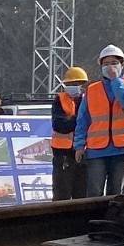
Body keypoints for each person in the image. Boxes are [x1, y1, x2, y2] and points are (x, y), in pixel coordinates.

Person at [75, 45, 124, 197]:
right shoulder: (92, 89)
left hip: (121, 149)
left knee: (116, 192)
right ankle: (93, 219)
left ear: (121, 65)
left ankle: (112, 219)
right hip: (96, 150)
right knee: (94, 191)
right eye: (106, 64)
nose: (110, 67)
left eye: (114, 63)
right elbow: (82, 120)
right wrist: (79, 145)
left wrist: (116, 81)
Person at [50, 66, 88, 201]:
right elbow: (60, 125)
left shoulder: (88, 100)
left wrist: (72, 119)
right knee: (62, 192)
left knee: (82, 193)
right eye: (71, 84)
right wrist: (80, 121)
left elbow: (90, 123)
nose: (75, 87)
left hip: (83, 152)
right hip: (63, 153)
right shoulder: (59, 100)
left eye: (78, 84)